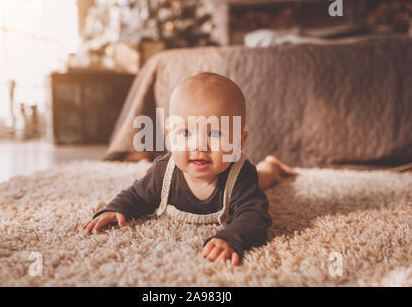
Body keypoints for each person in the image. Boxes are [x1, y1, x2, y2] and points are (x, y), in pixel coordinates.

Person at [81, 72, 297, 265]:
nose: (199, 146)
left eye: (214, 134)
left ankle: (272, 166)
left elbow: (255, 216)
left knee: (264, 178)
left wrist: (232, 237)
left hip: (244, 179)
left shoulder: (241, 175)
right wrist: (115, 208)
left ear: (239, 143)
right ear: (170, 137)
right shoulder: (163, 172)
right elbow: (136, 195)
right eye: (185, 133)